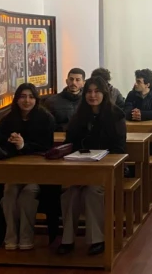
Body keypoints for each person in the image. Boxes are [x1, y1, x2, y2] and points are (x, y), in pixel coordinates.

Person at [58, 77, 127, 256]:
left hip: (107, 169)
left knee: (92, 192)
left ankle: (98, 239)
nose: (92, 95)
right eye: (89, 91)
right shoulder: (79, 115)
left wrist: (99, 158)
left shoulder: (115, 115)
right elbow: (69, 143)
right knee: (71, 193)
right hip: (80, 168)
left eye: (97, 91)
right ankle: (67, 239)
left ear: (104, 94)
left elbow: (119, 149)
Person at [0, 83, 55, 250]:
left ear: (36, 99)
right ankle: (11, 237)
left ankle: (26, 237)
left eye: (31, 97)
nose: (27, 101)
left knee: (27, 195)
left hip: (38, 173)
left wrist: (23, 145)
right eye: (23, 97)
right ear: (17, 99)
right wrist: (10, 139)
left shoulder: (45, 118)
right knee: (9, 193)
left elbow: (46, 146)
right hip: (15, 171)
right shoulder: (10, 117)